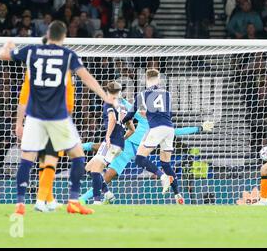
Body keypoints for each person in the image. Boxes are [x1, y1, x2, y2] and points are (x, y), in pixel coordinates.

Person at [0, 20, 112, 215]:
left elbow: (3, 56)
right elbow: (86, 77)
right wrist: (106, 97)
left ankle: (20, 204)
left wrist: (8, 45)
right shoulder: (68, 56)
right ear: (64, 36)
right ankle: (73, 201)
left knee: (27, 159)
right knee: (78, 156)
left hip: (34, 116)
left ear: (47, 34)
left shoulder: (33, 51)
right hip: (59, 117)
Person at [79, 99, 215, 204]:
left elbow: (179, 132)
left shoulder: (162, 126)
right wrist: (120, 99)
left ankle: (103, 195)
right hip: (126, 147)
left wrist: (199, 128)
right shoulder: (144, 118)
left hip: (135, 154)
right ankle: (86, 197)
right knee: (102, 169)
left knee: (103, 173)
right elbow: (132, 107)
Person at [15, 37, 75, 211]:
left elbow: (23, 97)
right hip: (55, 119)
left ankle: (46, 199)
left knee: (39, 159)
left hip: (35, 120)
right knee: (50, 159)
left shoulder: (33, 70)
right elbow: (69, 100)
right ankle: (41, 201)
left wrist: (19, 122)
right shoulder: (64, 66)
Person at [121, 69, 175, 193]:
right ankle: (177, 194)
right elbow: (170, 113)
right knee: (166, 163)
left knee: (139, 159)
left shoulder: (143, 94)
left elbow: (130, 115)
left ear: (145, 80)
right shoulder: (167, 93)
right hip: (169, 129)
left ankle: (162, 176)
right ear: (159, 79)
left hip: (156, 128)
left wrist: (121, 122)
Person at [84, 81, 135, 205]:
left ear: (107, 91)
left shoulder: (108, 103)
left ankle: (97, 201)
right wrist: (121, 139)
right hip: (118, 144)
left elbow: (112, 119)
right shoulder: (122, 107)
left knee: (96, 170)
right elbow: (132, 129)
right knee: (89, 167)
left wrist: (107, 137)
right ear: (119, 92)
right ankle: (107, 193)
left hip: (110, 142)